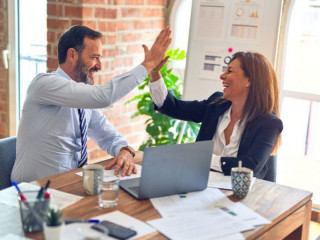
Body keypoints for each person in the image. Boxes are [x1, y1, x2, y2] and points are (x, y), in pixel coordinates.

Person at [11, 25, 171, 183]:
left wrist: (125, 150)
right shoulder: (44, 84)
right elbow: (103, 97)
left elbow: (108, 135)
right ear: (72, 55)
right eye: (94, 57)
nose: (99, 66)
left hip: (69, 186)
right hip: (32, 193)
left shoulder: (82, 99)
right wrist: (147, 65)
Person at [149, 51, 283, 179]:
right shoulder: (216, 105)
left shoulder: (269, 123)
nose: (222, 76)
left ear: (250, 80)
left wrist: (202, 159)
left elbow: (249, 167)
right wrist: (155, 74)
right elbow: (172, 107)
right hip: (201, 185)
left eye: (230, 71)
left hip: (241, 195)